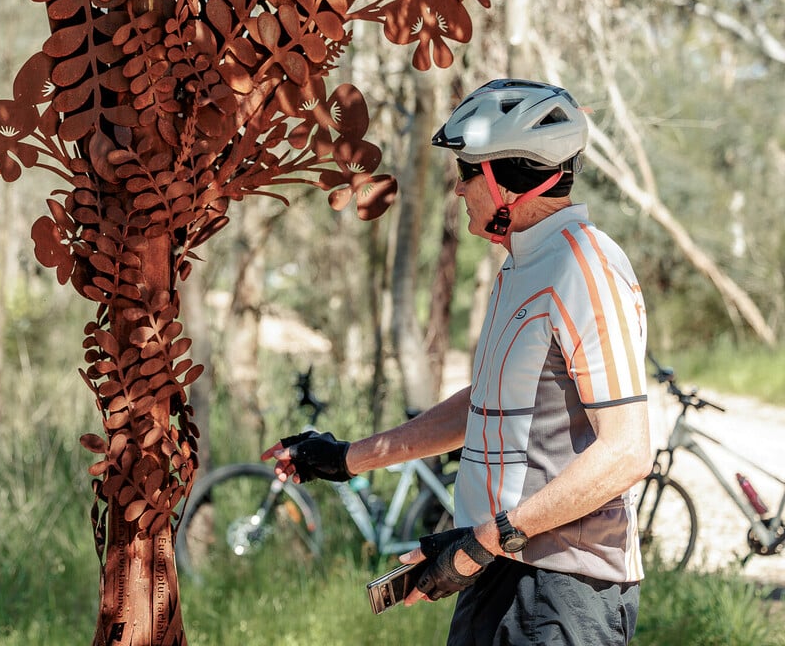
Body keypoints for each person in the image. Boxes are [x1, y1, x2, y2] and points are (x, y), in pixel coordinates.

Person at [264, 79, 653, 645]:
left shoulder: (585, 267)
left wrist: (485, 541)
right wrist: (348, 459)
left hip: (565, 595)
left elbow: (626, 451)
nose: (458, 189)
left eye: (468, 172)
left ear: (504, 181)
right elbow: (484, 406)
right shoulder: (520, 268)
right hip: (496, 574)